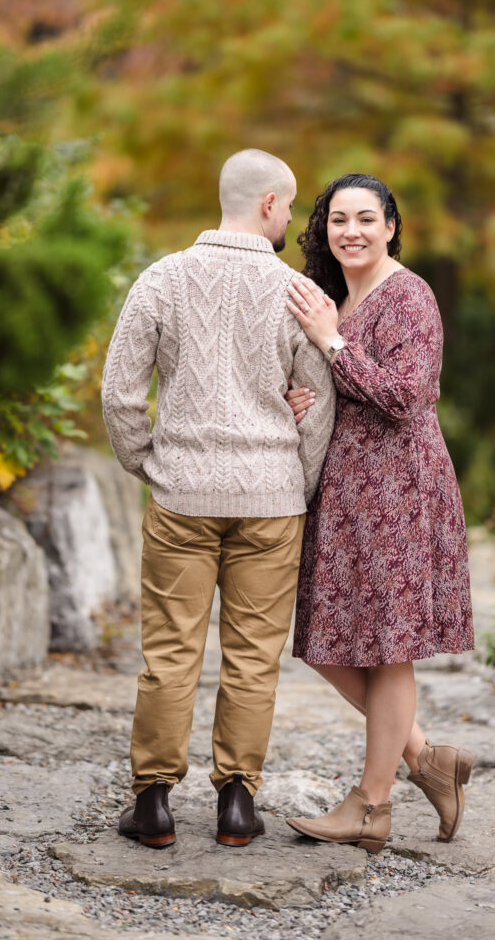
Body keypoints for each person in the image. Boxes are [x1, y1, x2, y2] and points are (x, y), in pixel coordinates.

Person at [101, 149, 335, 849]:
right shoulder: (296, 291)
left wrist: (149, 462)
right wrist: (298, 481)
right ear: (267, 204)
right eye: (289, 207)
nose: (291, 220)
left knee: (170, 652)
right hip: (271, 499)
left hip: (182, 497)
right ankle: (237, 804)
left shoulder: (162, 278)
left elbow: (118, 392)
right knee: (252, 657)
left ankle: (152, 804)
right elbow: (317, 404)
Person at [283, 173, 474, 854]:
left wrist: (332, 345)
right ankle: (425, 759)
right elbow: (338, 385)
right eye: (338, 219)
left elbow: (406, 396)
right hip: (344, 493)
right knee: (323, 640)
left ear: (391, 225)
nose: (351, 231)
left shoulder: (409, 294)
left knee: (386, 646)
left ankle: (371, 804)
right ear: (323, 228)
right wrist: (303, 398)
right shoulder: (336, 296)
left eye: (366, 218)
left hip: (398, 492)